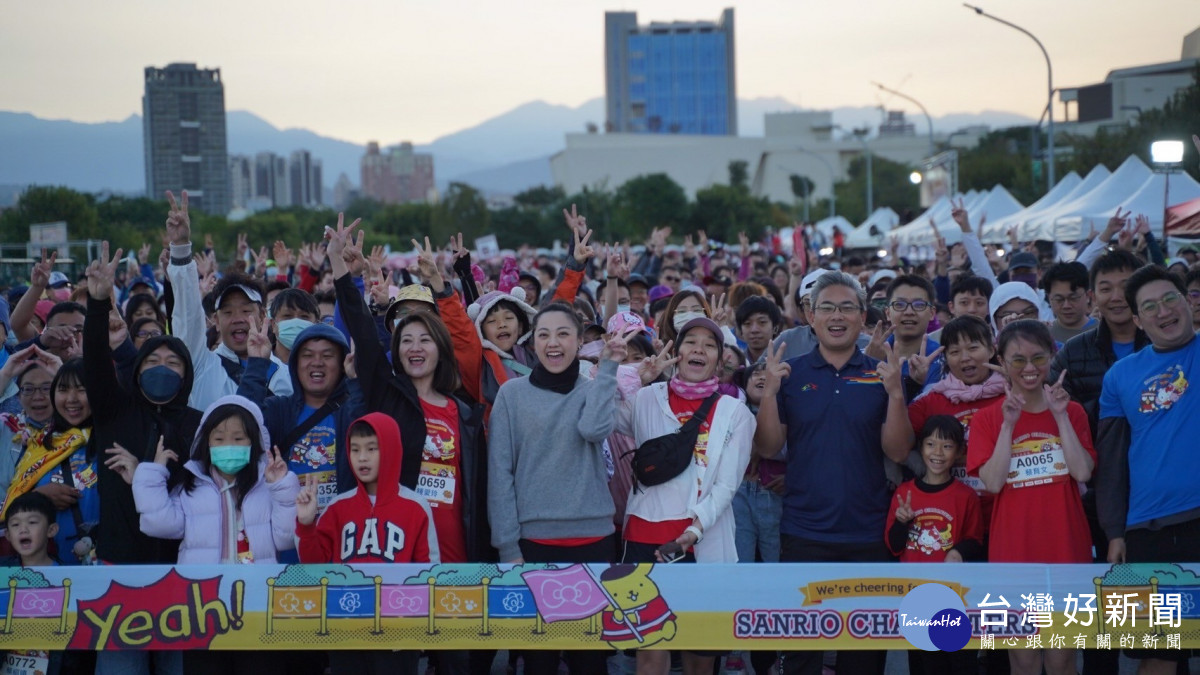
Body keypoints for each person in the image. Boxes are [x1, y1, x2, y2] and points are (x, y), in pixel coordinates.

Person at [755, 271, 912, 675]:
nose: (836, 316)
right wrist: (769, 395)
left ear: (863, 317)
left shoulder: (883, 374)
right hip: (805, 533)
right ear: (810, 315)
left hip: (869, 534)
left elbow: (897, 450)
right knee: (803, 656)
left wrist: (896, 393)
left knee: (862, 660)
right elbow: (769, 448)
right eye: (827, 307)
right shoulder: (790, 374)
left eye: (847, 307)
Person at [615, 315, 755, 675]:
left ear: (720, 359)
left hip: (702, 540)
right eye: (690, 341)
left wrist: (694, 530)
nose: (699, 349)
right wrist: (634, 377)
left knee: (700, 655)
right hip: (644, 536)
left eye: (709, 345)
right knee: (650, 652)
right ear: (676, 352)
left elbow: (728, 483)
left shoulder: (734, 412)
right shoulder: (647, 397)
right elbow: (602, 413)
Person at [488, 303, 622, 675]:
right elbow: (500, 474)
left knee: (590, 658)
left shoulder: (593, 388)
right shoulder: (511, 396)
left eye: (564, 333)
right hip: (533, 544)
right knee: (539, 659)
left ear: (580, 341)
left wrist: (608, 366)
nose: (553, 343)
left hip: (594, 538)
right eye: (544, 334)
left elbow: (594, 430)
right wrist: (508, 547)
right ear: (532, 342)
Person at [83, 242, 198, 675]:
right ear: (136, 368)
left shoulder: (197, 424)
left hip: (180, 575)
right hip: (118, 570)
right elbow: (95, 363)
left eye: (174, 362)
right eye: (153, 359)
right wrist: (97, 304)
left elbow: (196, 491)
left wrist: (144, 476)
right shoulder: (114, 411)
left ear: (186, 376)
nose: (163, 367)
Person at [967, 320, 1093, 675]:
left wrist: (1060, 416)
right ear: (1002, 362)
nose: (1029, 368)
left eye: (1039, 357)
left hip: (1067, 548)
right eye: (1018, 359)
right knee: (1022, 659)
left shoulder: (1073, 411)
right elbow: (991, 483)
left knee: (1062, 657)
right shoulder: (988, 419)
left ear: (1053, 357)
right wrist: (1008, 425)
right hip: (1012, 554)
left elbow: (1082, 472)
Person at [1097, 264, 1199, 674]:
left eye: (1170, 298)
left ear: (1189, 301)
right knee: (1155, 655)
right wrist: (1115, 531)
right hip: (1145, 530)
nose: (1164, 311)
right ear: (1137, 320)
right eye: (1150, 306)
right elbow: (1112, 460)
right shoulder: (1119, 376)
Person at [296, 412, 436, 675]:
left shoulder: (416, 507)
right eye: (355, 449)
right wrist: (306, 525)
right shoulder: (338, 508)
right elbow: (313, 568)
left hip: (398, 636)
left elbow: (429, 572)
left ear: (392, 449)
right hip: (346, 633)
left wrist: (415, 630)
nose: (362, 457)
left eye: (372, 449)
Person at [164, 191, 292, 411]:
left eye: (246, 310)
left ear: (263, 315)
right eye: (228, 312)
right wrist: (181, 248)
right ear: (215, 319)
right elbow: (187, 316)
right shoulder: (202, 364)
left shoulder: (285, 374)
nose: (238, 319)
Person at [886, 415, 982, 675]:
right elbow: (893, 547)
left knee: (960, 665)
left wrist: (958, 551)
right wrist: (901, 522)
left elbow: (976, 541)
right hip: (916, 599)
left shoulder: (966, 497)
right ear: (920, 448)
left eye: (947, 446)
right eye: (930, 444)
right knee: (923, 666)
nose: (937, 453)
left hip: (955, 600)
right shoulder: (904, 493)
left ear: (959, 452)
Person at [1, 359, 98, 565]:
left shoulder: (111, 437)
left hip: (105, 569)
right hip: (49, 572)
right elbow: (12, 504)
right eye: (62, 389)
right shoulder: (37, 445)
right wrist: (38, 497)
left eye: (81, 390)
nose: (71, 399)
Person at [1, 492, 76, 675]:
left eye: (32, 522)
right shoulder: (2, 573)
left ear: (52, 530)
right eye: (15, 524)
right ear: (8, 535)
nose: (23, 529)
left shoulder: (69, 578)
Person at [1041, 262, 1096, 343]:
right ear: (1049, 298)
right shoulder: (1043, 337)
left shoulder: (1103, 332)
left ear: (1088, 296)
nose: (1066, 306)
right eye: (1059, 299)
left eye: (1073, 298)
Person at [734, 295, 781, 364]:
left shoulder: (787, 360)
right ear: (741, 331)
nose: (754, 330)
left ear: (775, 328)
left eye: (762, 322)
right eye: (747, 323)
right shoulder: (737, 364)